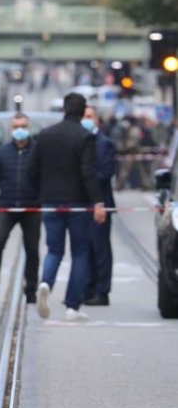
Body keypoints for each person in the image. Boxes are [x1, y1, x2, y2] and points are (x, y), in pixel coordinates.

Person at [28, 93, 106, 321]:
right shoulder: (85, 137)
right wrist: (97, 203)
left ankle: (45, 283)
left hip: (51, 201)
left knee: (54, 250)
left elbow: (32, 169)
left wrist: (42, 192)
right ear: (83, 112)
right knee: (80, 253)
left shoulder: (46, 135)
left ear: (63, 108)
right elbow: (89, 174)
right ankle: (73, 305)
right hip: (78, 204)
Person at [0, 113, 41, 304]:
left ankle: (31, 289)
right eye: (16, 126)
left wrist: (46, 202)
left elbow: (45, 179)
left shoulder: (37, 152)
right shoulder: (2, 152)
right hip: (7, 207)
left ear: (29, 128)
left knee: (32, 250)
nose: (20, 130)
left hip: (31, 209)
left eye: (23, 126)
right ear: (11, 129)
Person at [82, 106, 117, 306]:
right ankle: (87, 289)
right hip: (82, 205)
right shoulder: (80, 141)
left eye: (89, 117)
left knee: (100, 248)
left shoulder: (104, 144)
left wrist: (85, 181)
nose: (86, 120)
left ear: (97, 120)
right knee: (85, 248)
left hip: (101, 204)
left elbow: (106, 173)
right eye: (83, 117)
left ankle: (102, 291)